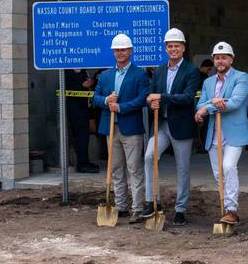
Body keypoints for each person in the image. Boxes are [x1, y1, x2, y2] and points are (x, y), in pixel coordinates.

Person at [140, 28, 201, 226]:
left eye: (177, 46)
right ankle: (152, 200)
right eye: (170, 46)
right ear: (165, 49)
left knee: (182, 168)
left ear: (183, 48)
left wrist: (162, 98)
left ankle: (180, 209)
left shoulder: (191, 71)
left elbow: (188, 97)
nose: (173, 49)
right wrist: (152, 102)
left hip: (181, 127)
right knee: (150, 156)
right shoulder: (159, 70)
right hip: (162, 124)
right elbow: (151, 94)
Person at [91, 33, 150, 224]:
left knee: (134, 168)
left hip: (131, 127)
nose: (120, 53)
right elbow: (95, 97)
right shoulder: (105, 75)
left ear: (130, 51)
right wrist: (106, 100)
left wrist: (121, 107)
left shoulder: (140, 74)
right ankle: (121, 205)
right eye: (116, 50)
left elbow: (142, 99)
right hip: (111, 128)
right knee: (115, 168)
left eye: (123, 50)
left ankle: (138, 208)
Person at [195, 41, 248, 225]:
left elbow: (234, 102)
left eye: (224, 57)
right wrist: (213, 102)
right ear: (214, 60)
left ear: (231, 59)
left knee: (228, 167)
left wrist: (208, 107)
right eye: (217, 58)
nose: (220, 61)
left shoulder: (241, 78)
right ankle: (225, 208)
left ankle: (232, 210)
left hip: (235, 133)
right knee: (219, 174)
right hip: (214, 133)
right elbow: (199, 104)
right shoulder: (208, 82)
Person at [66, 68, 98, 173]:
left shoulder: (78, 68)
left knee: (83, 136)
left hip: (80, 107)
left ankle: (84, 162)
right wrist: (93, 81)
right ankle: (83, 164)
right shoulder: (74, 68)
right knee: (82, 137)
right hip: (78, 109)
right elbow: (85, 83)